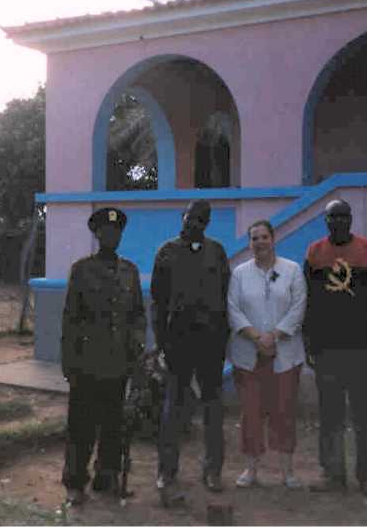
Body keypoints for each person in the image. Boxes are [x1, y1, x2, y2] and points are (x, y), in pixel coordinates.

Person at [303, 199, 367, 497]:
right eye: (332, 217)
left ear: (351, 219)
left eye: (342, 216)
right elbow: (308, 301)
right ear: (325, 221)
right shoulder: (315, 253)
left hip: (362, 347)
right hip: (327, 349)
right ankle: (332, 474)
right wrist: (309, 342)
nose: (337, 222)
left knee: (364, 416)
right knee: (330, 416)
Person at [60, 207, 146, 506]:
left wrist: (137, 349)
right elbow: (70, 319)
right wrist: (69, 362)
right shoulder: (82, 270)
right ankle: (75, 482)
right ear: (97, 235)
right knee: (81, 426)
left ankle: (106, 476)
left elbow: (137, 316)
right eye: (106, 232)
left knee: (113, 424)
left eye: (117, 232)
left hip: (118, 361)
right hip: (87, 362)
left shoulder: (130, 271)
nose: (112, 236)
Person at [151, 199, 231, 505]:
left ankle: (213, 471)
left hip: (210, 344)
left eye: (200, 219)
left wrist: (222, 339)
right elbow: (158, 303)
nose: (194, 223)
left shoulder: (217, 252)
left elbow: (225, 297)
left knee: (213, 410)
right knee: (173, 409)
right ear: (182, 217)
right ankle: (166, 472)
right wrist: (162, 343)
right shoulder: (166, 252)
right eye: (190, 217)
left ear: (207, 224)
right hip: (178, 344)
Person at [227, 219, 307, 489]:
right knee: (251, 413)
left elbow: (298, 307)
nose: (259, 242)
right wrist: (256, 336)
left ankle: (287, 471)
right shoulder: (239, 274)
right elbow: (233, 309)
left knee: (284, 411)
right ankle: (251, 470)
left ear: (273, 239)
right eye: (254, 238)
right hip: (248, 356)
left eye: (264, 237)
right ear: (249, 243)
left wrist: (274, 335)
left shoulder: (292, 270)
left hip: (285, 355)